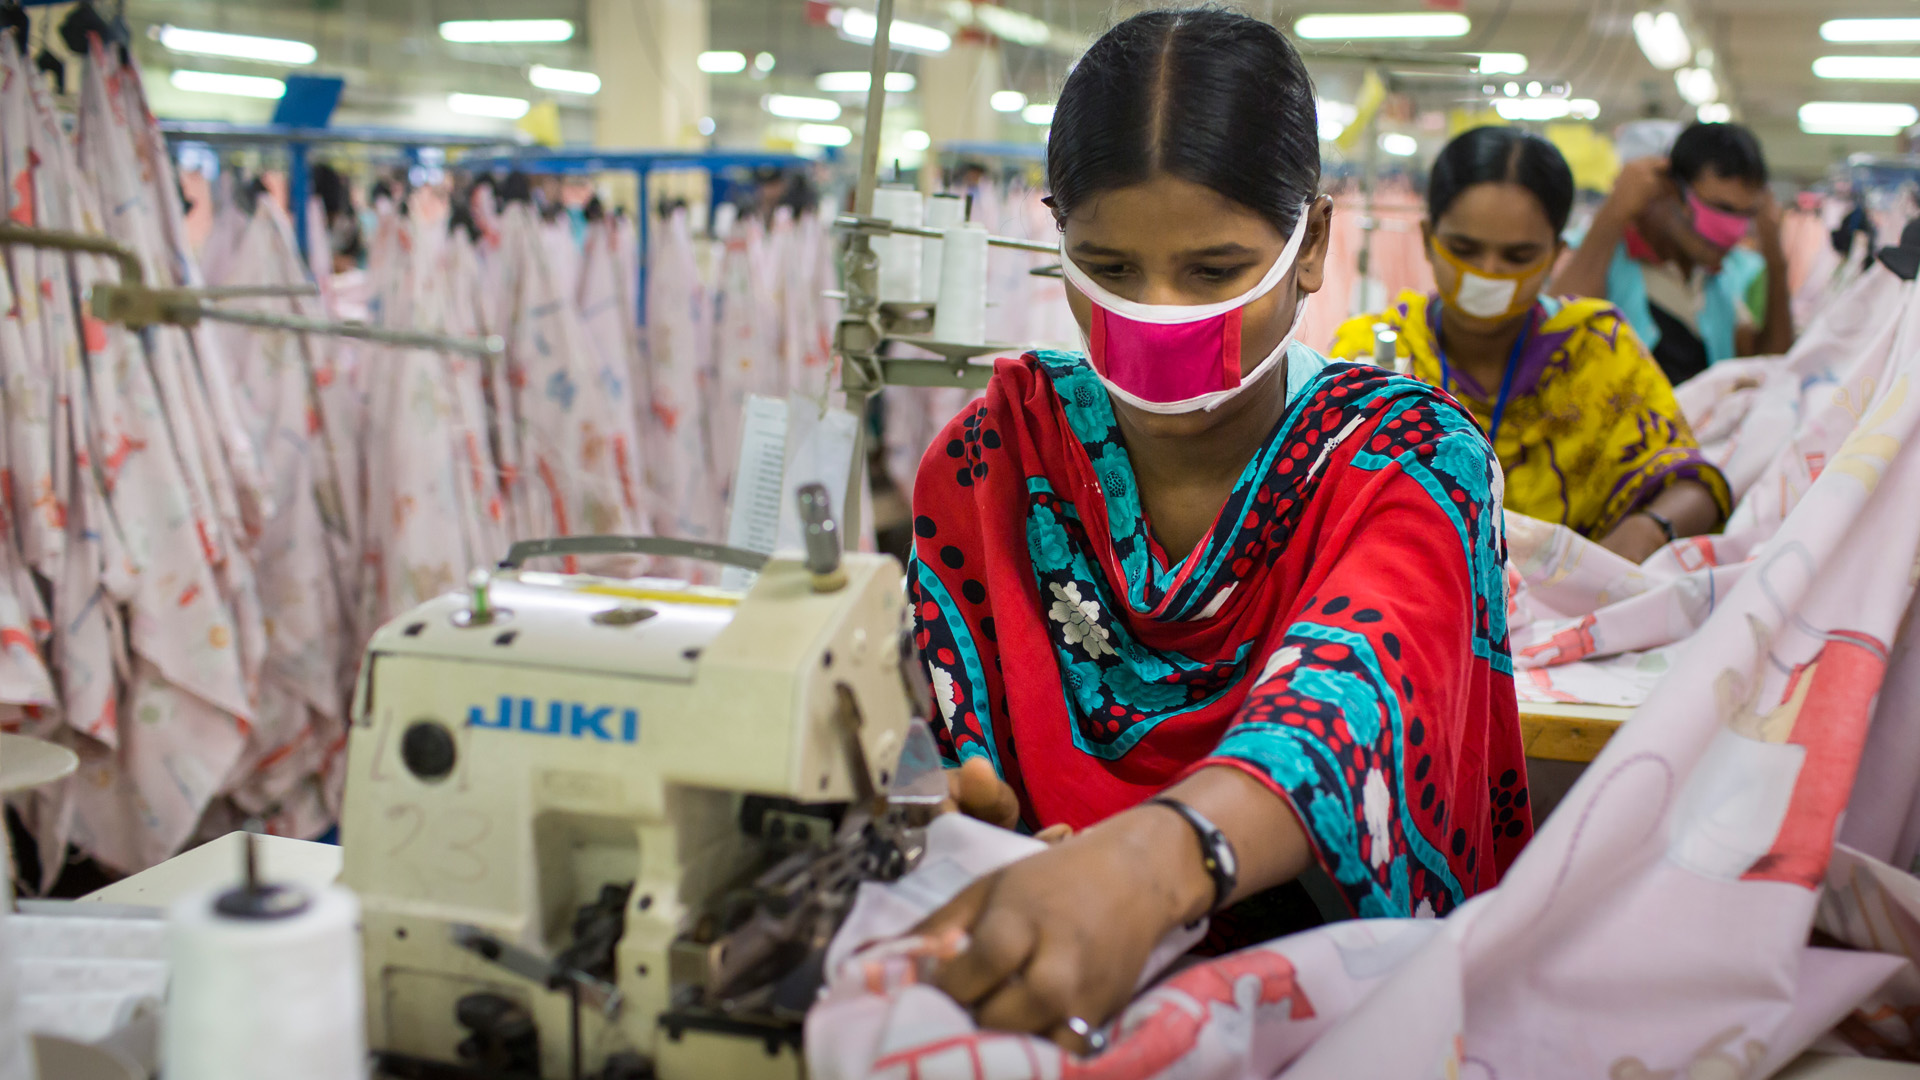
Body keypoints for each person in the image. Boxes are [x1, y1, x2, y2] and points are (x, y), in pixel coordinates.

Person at [908, 9, 1530, 1050]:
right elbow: (962, 764)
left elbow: (1343, 705)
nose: (1159, 316)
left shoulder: (1409, 466)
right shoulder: (992, 462)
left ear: (1313, 245)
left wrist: (1150, 865)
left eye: (1211, 272)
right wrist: (962, 827)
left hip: (1331, 1024)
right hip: (1049, 997)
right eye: (1107, 268)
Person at [1330, 127, 1730, 563]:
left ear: (1555, 254)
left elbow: (1693, 482)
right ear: (1427, 240)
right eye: (1464, 249)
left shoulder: (1597, 350)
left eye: (1518, 257)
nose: (1488, 274)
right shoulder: (1371, 359)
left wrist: (1648, 530)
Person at [1552, 121, 1792, 384]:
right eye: (1720, 209)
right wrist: (1614, 212)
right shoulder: (1602, 257)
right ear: (1670, 190)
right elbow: (1554, 336)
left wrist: (1776, 260)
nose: (1732, 232)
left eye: (1746, 214)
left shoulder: (1720, 279)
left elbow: (1771, 363)